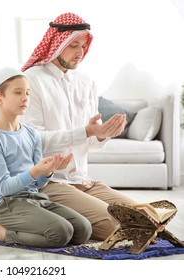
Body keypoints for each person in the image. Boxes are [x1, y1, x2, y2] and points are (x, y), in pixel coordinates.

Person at [21, 12, 137, 241]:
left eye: (84, 46)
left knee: (145, 216)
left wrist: (103, 135)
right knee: (118, 227)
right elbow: (34, 141)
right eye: (73, 45)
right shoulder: (31, 80)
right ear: (57, 43)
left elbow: (90, 143)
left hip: (83, 180)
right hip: (50, 182)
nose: (80, 52)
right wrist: (86, 131)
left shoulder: (86, 83)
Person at [0, 67, 92, 248]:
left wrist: (48, 172)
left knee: (83, 230)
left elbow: (38, 184)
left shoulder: (32, 134)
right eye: (18, 93)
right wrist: (35, 170)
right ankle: (3, 232)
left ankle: (30, 224)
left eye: (27, 93)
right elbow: (5, 188)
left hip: (35, 199)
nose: (25, 98)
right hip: (6, 204)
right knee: (60, 233)